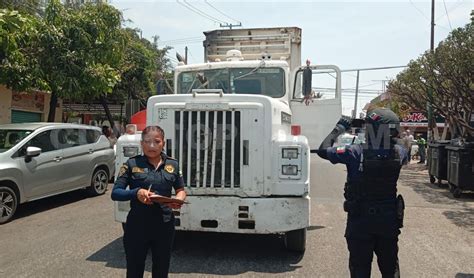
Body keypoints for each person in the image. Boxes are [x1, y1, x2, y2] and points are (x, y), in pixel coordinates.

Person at [314, 108, 408, 277]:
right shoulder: (400, 152)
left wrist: (340, 128)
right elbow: (396, 144)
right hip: (388, 222)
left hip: (360, 223)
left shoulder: (354, 152)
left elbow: (322, 150)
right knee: (390, 269)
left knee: (360, 270)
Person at [111, 125, 187, 278]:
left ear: (163, 144)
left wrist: (178, 200)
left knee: (161, 269)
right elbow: (116, 193)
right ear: (141, 144)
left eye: (156, 142)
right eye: (147, 141)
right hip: (137, 227)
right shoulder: (132, 164)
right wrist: (136, 192)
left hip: (164, 226)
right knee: (134, 270)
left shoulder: (173, 164)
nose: (152, 146)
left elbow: (180, 189)